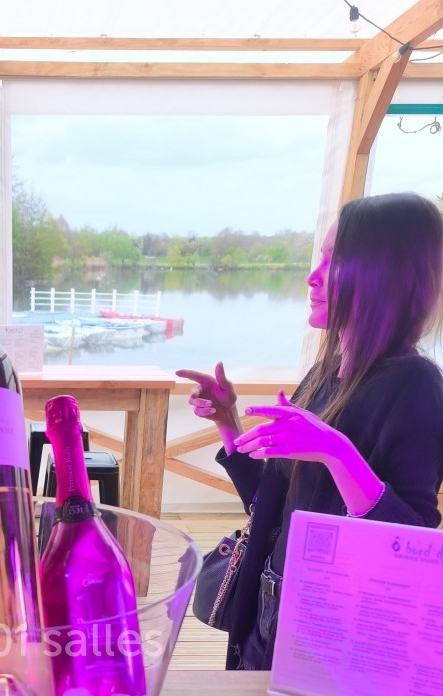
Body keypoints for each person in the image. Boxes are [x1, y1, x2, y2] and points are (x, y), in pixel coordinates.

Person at [178, 191, 443, 671]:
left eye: (332, 262)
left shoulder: (416, 386)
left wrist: (337, 452)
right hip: (270, 609)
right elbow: (272, 506)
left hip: (336, 635)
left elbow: (413, 545)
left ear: (384, 276)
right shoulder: (326, 371)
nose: (312, 277)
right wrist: (227, 422)